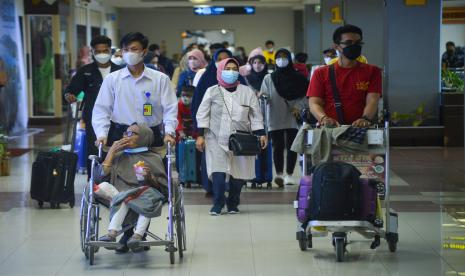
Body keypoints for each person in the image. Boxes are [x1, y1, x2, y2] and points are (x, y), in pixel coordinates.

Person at [195, 58, 267, 215]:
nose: (231, 72)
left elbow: (256, 115)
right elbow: (202, 114)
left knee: (239, 172)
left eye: (234, 69)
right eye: (227, 68)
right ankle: (218, 203)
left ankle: (233, 202)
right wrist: (200, 136)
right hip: (215, 137)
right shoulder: (212, 91)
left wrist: (261, 133)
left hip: (241, 139)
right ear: (220, 70)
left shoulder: (246, 92)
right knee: (218, 170)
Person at [92, 32, 178, 150]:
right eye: (126, 50)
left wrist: (169, 132)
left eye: (134, 49)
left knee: (152, 167)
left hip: (150, 134)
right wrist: (101, 134)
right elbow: (101, 110)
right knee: (120, 167)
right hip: (120, 133)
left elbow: (170, 108)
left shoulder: (160, 79)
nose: (129, 53)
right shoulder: (112, 79)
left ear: (144, 52)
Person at [98, 124, 168, 251]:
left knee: (137, 198)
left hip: (144, 194)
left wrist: (149, 177)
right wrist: (111, 151)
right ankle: (123, 235)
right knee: (123, 196)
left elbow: (162, 188)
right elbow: (102, 175)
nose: (126, 136)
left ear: (144, 137)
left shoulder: (153, 157)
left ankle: (134, 235)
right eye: (125, 133)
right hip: (119, 193)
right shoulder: (118, 155)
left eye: (131, 134)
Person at [64, 35, 122, 178]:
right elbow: (72, 90)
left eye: (105, 50)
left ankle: (115, 181)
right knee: (94, 151)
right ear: (93, 52)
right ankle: (94, 184)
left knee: (116, 150)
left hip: (118, 118)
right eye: (98, 51)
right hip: (93, 119)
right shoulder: (86, 71)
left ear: (110, 51)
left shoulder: (120, 71)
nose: (102, 54)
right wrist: (69, 95)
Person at [191, 49, 246, 197]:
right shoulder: (206, 79)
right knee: (212, 160)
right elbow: (198, 106)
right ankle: (213, 188)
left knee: (234, 160)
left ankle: (232, 190)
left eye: (226, 58)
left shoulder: (240, 80)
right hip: (211, 130)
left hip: (235, 130)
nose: (222, 61)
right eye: (219, 58)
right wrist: (200, 132)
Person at [307, 24, 382, 128]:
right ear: (336, 46)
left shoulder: (372, 71)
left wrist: (365, 118)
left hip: (361, 130)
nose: (354, 46)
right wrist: (324, 118)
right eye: (348, 43)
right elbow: (314, 103)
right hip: (330, 131)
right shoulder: (321, 73)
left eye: (358, 43)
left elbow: (373, 100)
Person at [260, 48, 309, 187]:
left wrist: (298, 106)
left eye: (284, 57)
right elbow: (264, 95)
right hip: (274, 115)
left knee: (292, 146)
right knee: (277, 146)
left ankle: (289, 174)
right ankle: (279, 174)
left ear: (289, 59)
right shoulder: (269, 78)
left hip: (293, 116)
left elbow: (307, 95)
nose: (281, 60)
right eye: (279, 57)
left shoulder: (299, 78)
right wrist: (263, 98)